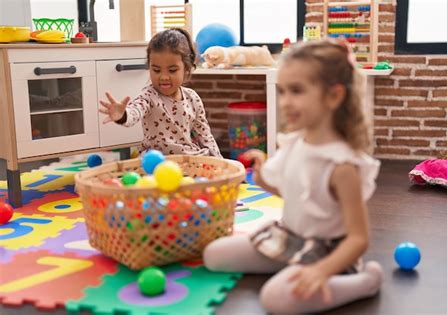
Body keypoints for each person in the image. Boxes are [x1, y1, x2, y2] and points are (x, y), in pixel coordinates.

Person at [203, 38, 383, 313]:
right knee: (213, 256)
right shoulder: (296, 143)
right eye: (283, 91)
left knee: (275, 299)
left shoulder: (342, 165)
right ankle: (289, 262)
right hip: (289, 236)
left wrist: (321, 271)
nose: (285, 102)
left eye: (297, 91)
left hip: (328, 253)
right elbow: (297, 195)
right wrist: (263, 180)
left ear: (334, 96)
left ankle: (365, 282)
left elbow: (359, 238)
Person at [99, 28, 221, 157]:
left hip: (188, 159)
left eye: (172, 70)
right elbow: (134, 112)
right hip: (156, 161)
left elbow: (205, 136)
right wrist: (122, 115)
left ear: (186, 68)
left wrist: (222, 163)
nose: (163, 77)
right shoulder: (149, 95)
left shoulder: (192, 98)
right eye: (156, 70)